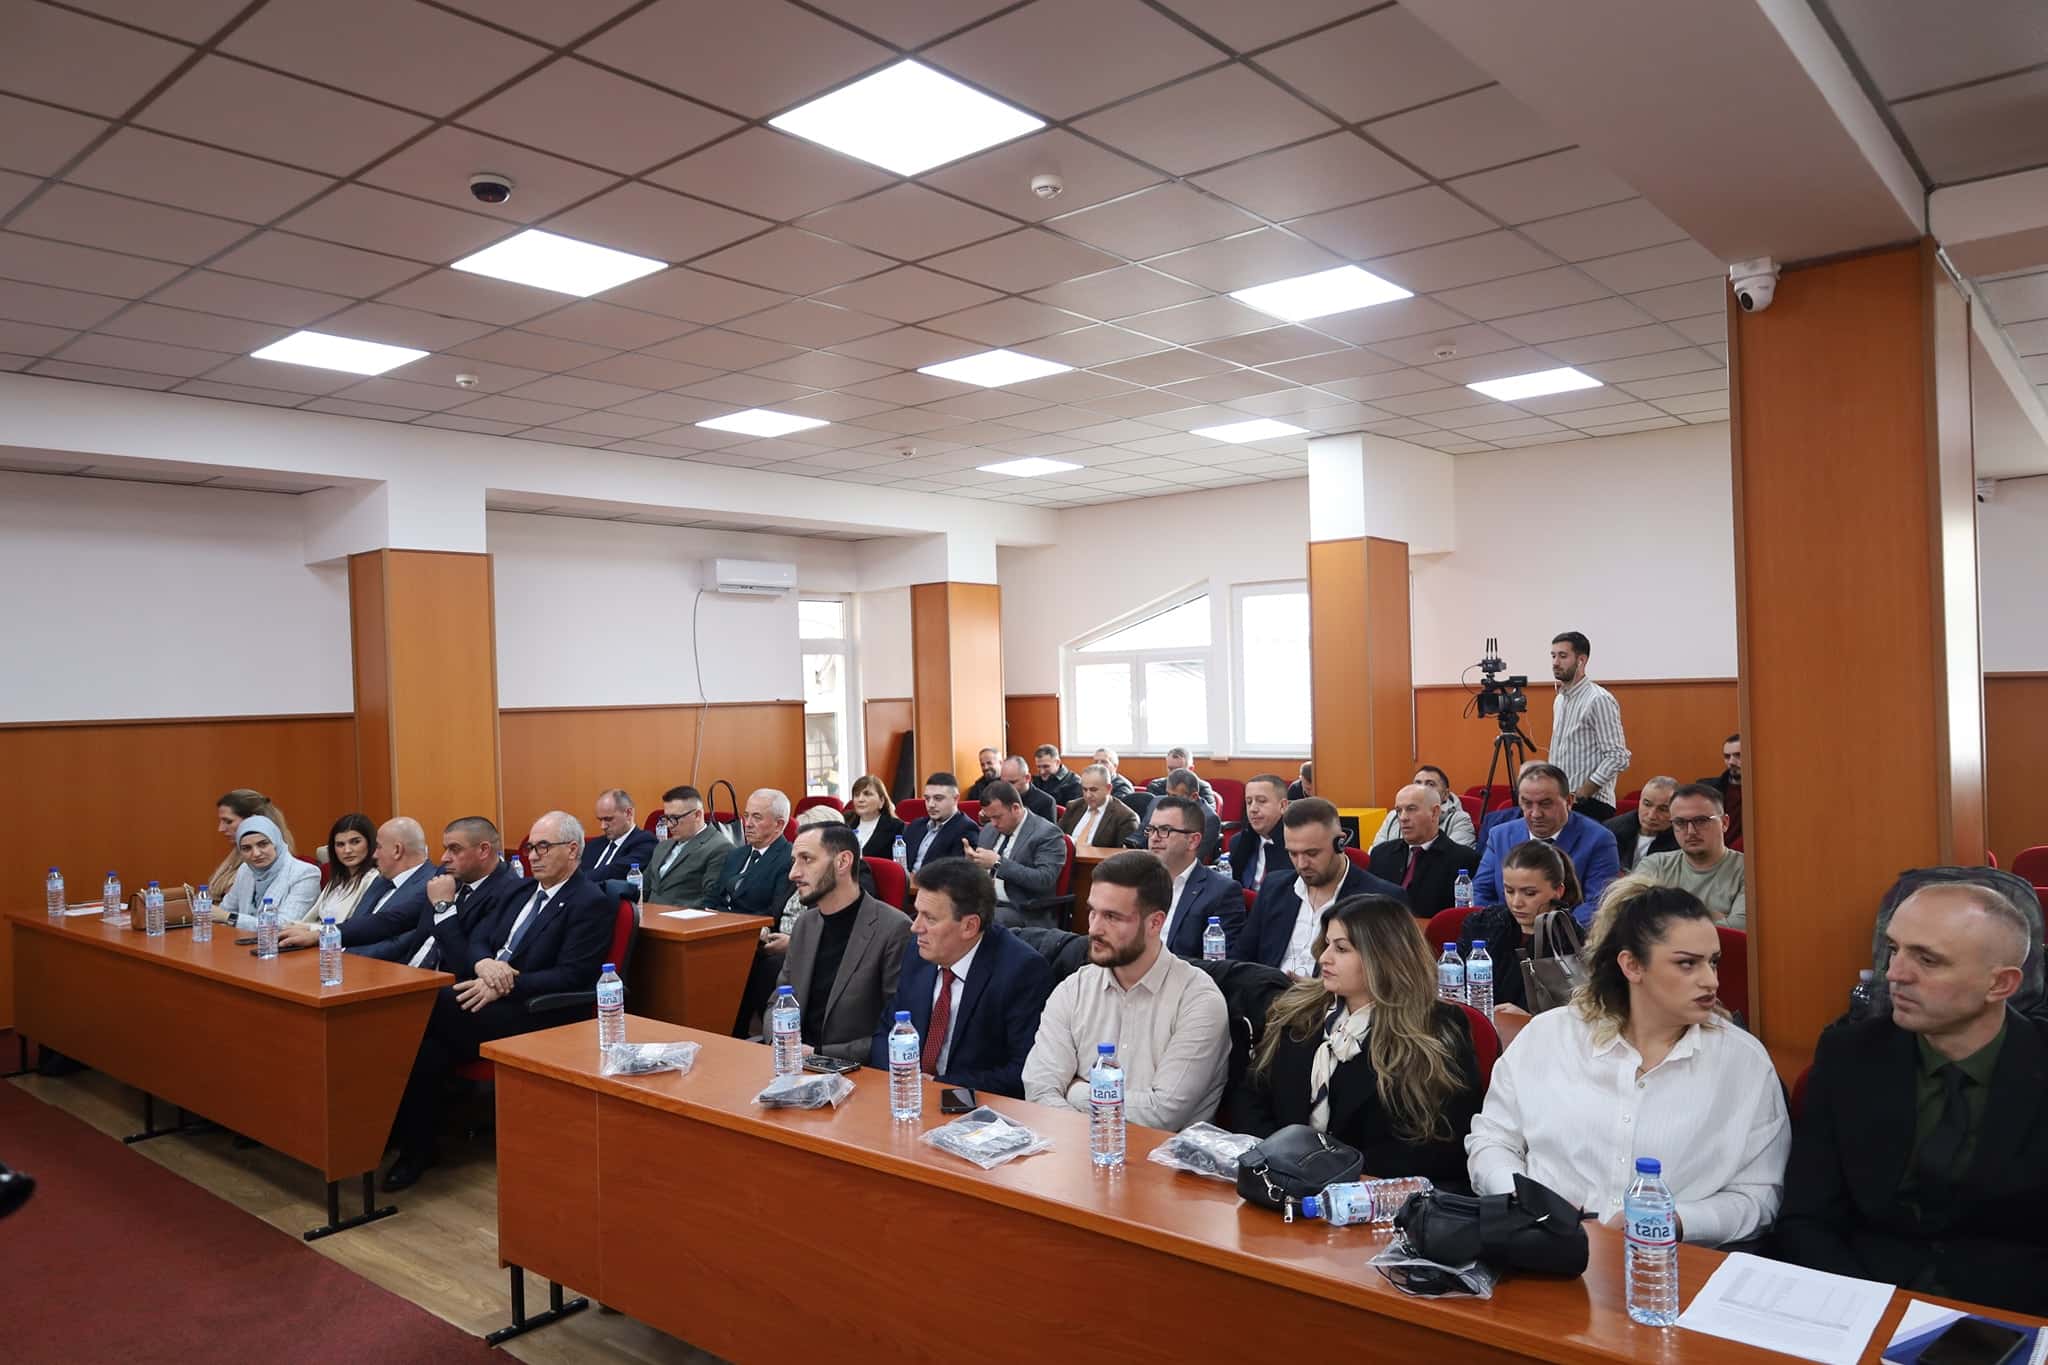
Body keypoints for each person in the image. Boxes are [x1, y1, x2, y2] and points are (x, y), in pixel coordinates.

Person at [1465, 878, 1789, 1246]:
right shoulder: (1547, 1037)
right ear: (1632, 965)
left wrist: (1676, 1220)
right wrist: (1524, 1201)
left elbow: (1760, 1195)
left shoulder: (1744, 1062)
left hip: (1670, 1262)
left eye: (1713, 962)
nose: (1710, 981)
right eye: (1687, 964)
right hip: (1543, 1251)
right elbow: (1492, 1141)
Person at [1778, 884, 2048, 1314]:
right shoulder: (1848, 1055)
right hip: (1860, 1298)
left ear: (2000, 984)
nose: (1894, 974)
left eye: (1927, 960)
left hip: (2011, 1312)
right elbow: (1807, 1216)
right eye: (1893, 949)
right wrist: (1861, 1308)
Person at [383, 810, 615, 1191]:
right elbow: (480, 939)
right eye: (530, 848)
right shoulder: (521, 891)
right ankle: (412, 1145)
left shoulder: (590, 902)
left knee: (418, 1008)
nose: (533, 856)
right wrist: (484, 964)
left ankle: (400, 1138)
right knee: (427, 1049)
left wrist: (506, 983)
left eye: (543, 847)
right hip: (488, 993)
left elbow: (573, 976)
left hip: (535, 1011)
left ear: (573, 850)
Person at [1234, 896, 1484, 1192]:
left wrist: (1331, 1174)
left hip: (1377, 1195)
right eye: (1327, 944)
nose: (1324, 958)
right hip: (1282, 1183)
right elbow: (1252, 1097)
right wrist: (1279, 1162)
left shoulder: (1436, 1027)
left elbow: (1439, 1144)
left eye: (1341, 949)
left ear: (1383, 956)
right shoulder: (1299, 1012)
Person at [1023, 850, 1229, 1130]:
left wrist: (1075, 1090)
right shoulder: (1073, 989)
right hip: (1073, 1147)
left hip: (1162, 1157)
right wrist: (1090, 1135)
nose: (1094, 929)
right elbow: (1039, 1090)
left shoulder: (1199, 1001)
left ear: (1155, 923)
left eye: (1112, 917)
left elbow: (1162, 1115)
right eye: (1092, 912)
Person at [868, 856, 1054, 1098]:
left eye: (930, 918)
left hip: (976, 1105)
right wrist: (901, 1075)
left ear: (969, 926)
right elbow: (887, 1030)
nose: (915, 927)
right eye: (917, 913)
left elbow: (1023, 1071)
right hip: (908, 1095)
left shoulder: (1021, 971)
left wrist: (938, 1085)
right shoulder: (917, 951)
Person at [779, 824, 912, 1062]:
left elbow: (899, 1027)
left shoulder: (894, 929)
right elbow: (778, 999)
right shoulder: (805, 924)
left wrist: (818, 1054)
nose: (793, 873)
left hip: (853, 1068)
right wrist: (779, 1040)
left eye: (806, 859)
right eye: (794, 861)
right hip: (792, 1060)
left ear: (842, 862)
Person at [1238, 799, 1408, 974]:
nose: (1301, 864)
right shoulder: (1274, 887)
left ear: (1340, 843)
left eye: (1312, 853)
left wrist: (1315, 988)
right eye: (1293, 853)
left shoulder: (1381, 899)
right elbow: (1242, 958)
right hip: (1269, 989)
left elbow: (1390, 977)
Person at [1472, 763, 1620, 921]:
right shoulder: (1500, 835)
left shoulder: (1599, 839)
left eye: (1545, 804)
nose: (1536, 814)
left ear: (1569, 801)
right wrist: (1504, 928)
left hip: (1568, 932)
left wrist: (1552, 930)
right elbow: (1480, 892)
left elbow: (1597, 904)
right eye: (1527, 803)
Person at [1456, 840, 1583, 1015]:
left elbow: (1578, 1012)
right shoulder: (1482, 924)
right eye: (1509, 891)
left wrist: (1530, 1018)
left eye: (1530, 893)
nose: (1516, 903)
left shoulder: (1571, 940)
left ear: (1558, 891)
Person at [282, 816, 437, 954]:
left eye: (378, 847)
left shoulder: (429, 886)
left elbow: (396, 944)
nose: (374, 855)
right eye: (340, 844)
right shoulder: (381, 881)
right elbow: (357, 925)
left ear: (397, 850)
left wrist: (338, 951)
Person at [1146, 794, 1245, 958]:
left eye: (1164, 830)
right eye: (1151, 830)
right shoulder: (1136, 881)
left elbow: (1218, 964)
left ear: (1193, 841)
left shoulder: (1221, 892)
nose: (1154, 838)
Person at [1548, 631, 1631, 825]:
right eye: (1553, 656)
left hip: (1591, 803)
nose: (1555, 662)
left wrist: (1584, 792)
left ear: (1581, 660)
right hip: (1562, 800)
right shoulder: (1560, 700)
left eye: (1563, 656)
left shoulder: (1598, 699)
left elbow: (1618, 756)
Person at [1638, 784, 1745, 927]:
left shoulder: (1748, 871)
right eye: (1680, 822)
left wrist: (1664, 916)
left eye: (1701, 821)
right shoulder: (1655, 865)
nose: (1691, 831)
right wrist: (1708, 915)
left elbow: (1737, 930)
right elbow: (1632, 920)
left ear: (1724, 823)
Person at [1368, 783, 1482, 918]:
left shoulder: (1464, 859)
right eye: (1398, 810)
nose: (1403, 817)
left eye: (1411, 809)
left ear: (1435, 812)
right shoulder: (1381, 854)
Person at [969, 781, 1066, 928]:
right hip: (986, 903)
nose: (993, 823)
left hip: (1024, 910)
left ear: (1015, 808)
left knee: (977, 920)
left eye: (997, 817)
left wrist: (998, 863)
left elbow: (1044, 880)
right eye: (989, 818)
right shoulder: (989, 830)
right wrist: (971, 863)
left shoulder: (1047, 833)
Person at [217, 815, 319, 928]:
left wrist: (229, 918)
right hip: (243, 937)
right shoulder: (246, 869)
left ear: (276, 842)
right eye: (247, 848)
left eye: (263, 844)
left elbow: (284, 924)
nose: (256, 853)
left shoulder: (305, 873)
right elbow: (225, 909)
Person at [707, 788, 794, 919]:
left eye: (757, 818)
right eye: (746, 816)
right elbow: (713, 896)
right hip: (716, 923)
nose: (747, 824)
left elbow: (775, 912)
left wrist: (727, 919)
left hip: (749, 927)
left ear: (779, 824)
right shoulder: (735, 854)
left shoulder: (789, 858)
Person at [643, 785, 727, 907]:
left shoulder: (719, 848)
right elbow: (642, 888)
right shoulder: (663, 846)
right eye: (666, 818)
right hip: (647, 914)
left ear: (697, 815)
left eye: (675, 818)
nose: (669, 825)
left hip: (682, 917)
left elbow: (710, 900)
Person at [208, 789, 296, 901]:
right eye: (246, 848)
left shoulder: (270, 864)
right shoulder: (237, 855)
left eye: (228, 821)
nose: (221, 829)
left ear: (253, 820)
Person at [1369, 766, 1478, 850]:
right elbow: (1376, 853)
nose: (1422, 788)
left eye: (1430, 784)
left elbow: (1456, 859)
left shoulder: (1459, 819)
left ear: (1445, 794)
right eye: (1417, 783)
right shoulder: (1393, 816)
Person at [303, 813, 378, 925]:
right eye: (340, 844)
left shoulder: (374, 879)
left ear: (370, 843)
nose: (347, 850)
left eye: (355, 842)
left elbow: (354, 926)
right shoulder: (337, 880)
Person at [901, 772, 978, 876]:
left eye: (938, 798)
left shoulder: (966, 829)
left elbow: (954, 874)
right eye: (927, 798)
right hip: (905, 883)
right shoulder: (916, 825)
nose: (931, 805)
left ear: (955, 799)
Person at [1225, 773, 1289, 890]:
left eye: (1262, 801)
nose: (1253, 809)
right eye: (1249, 802)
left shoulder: (1296, 846)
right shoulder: (1239, 842)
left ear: (1282, 806)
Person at [1606, 776, 1679, 872]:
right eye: (1647, 804)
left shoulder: (1682, 840)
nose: (1651, 816)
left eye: (1663, 809)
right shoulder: (1611, 830)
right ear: (1640, 802)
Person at [1059, 763, 1138, 849]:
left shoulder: (1125, 817)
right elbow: (1057, 837)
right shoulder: (1073, 806)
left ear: (1108, 788)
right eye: (1085, 789)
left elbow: (1125, 854)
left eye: (1093, 790)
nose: (1088, 795)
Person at [580, 788, 655, 879]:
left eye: (608, 819)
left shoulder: (645, 841)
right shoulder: (593, 844)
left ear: (628, 813)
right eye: (600, 820)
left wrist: (579, 881)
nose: (603, 826)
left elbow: (616, 871)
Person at [846, 774, 905, 860]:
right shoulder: (846, 822)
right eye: (856, 795)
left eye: (867, 794)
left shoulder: (896, 827)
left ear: (881, 801)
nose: (860, 799)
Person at [1145, 748, 1217, 809]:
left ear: (1190, 769)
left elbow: (1209, 816)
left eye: (1178, 769)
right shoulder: (1155, 786)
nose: (1173, 773)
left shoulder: (1203, 787)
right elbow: (1149, 815)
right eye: (1170, 769)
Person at [1703, 732, 1743, 844]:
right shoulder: (1709, 789)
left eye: (1738, 755)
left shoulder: (1762, 790)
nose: (1731, 762)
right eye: (1727, 757)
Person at [998, 754, 1059, 822]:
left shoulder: (1045, 802)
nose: (1007, 787)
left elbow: (1048, 829)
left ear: (1027, 778)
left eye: (1012, 782)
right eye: (1003, 782)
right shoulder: (998, 798)